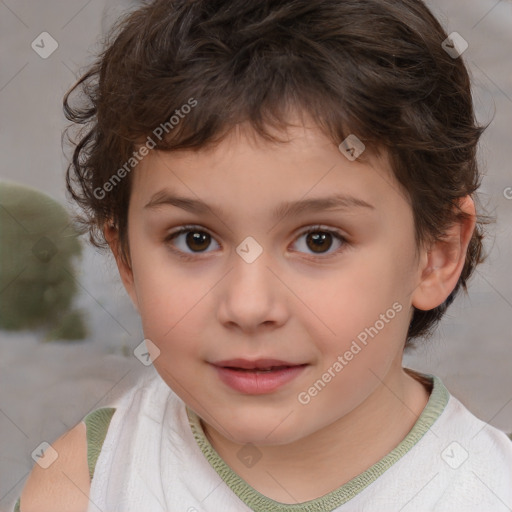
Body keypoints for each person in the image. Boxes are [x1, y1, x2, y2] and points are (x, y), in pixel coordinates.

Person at [15, 0, 512, 510]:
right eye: (195, 239)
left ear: (437, 254)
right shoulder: (81, 486)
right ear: (127, 260)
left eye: (320, 240)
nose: (249, 307)